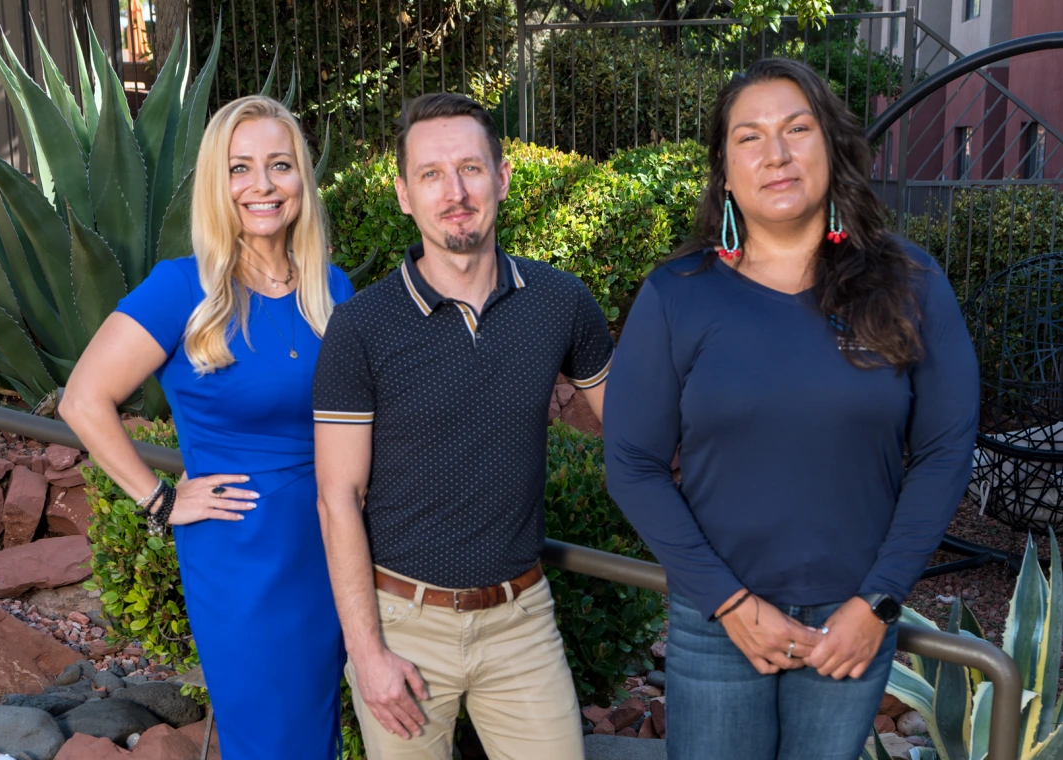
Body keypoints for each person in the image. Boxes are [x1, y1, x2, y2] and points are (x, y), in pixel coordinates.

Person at [602, 59, 979, 760]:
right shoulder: (678, 294)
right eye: (750, 138)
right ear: (724, 168)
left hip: (853, 625)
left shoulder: (911, 284)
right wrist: (729, 604)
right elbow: (630, 463)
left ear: (832, 147)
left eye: (796, 130)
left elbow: (944, 452)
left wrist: (880, 604)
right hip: (718, 624)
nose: (775, 155)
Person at [311, 92, 613, 760]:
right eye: (431, 174)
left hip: (521, 622)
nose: (455, 192)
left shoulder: (561, 304)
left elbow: (632, 431)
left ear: (502, 178)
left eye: (471, 169)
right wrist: (367, 653)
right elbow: (337, 497)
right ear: (403, 195)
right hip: (401, 625)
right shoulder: (361, 327)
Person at [60, 95, 352, 759]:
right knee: (271, 736)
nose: (262, 185)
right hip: (240, 550)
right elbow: (83, 398)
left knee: (318, 728)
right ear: (217, 185)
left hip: (331, 539)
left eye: (279, 165)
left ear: (302, 178)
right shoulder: (180, 289)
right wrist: (160, 499)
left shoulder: (331, 289)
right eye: (239, 167)